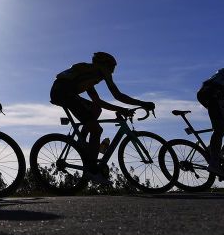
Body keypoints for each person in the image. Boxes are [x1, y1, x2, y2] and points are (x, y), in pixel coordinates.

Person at [49, 51, 155, 181]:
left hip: (62, 91)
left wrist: (120, 109)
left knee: (96, 109)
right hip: (64, 92)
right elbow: (117, 95)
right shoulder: (97, 70)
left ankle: (83, 141)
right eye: (112, 67)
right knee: (97, 130)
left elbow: (98, 102)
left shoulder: (88, 75)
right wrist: (142, 103)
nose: (112, 71)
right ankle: (92, 170)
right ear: (104, 65)